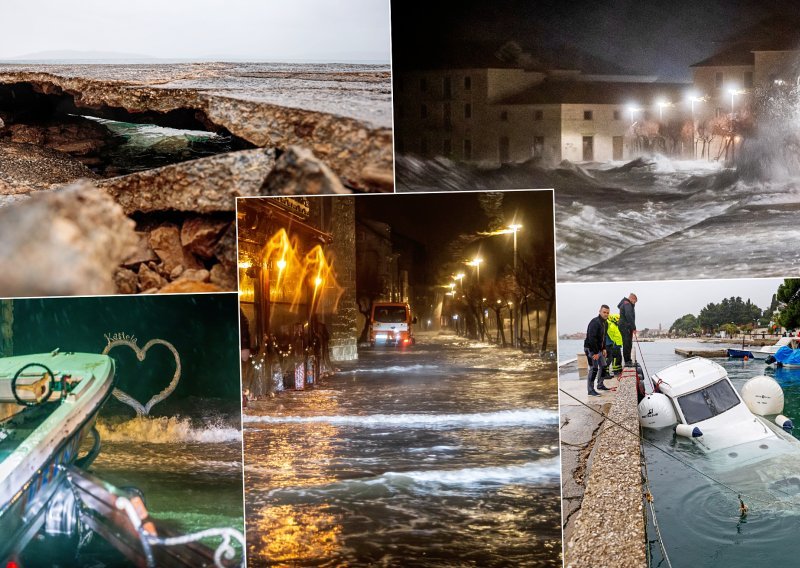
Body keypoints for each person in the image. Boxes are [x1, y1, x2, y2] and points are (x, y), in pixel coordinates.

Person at [584, 304, 610, 396]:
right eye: (604, 312)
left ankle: (600, 384)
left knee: (603, 366)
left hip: (599, 349)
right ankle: (590, 390)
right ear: (600, 311)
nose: (606, 314)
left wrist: (604, 348)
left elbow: (604, 337)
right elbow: (592, 338)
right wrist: (595, 353)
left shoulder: (605, 323)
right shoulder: (595, 322)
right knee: (594, 368)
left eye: (607, 313)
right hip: (590, 348)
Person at [618, 293, 637, 366]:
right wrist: (634, 327)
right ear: (632, 298)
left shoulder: (626, 304)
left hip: (625, 326)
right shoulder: (627, 304)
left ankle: (628, 360)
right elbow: (628, 315)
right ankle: (627, 361)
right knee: (627, 343)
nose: (634, 303)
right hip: (625, 326)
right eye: (635, 301)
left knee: (628, 343)